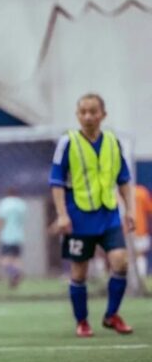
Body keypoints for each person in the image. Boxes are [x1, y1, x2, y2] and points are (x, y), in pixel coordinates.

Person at [50, 93, 134, 337]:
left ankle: (111, 315)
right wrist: (62, 214)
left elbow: (124, 179)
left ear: (103, 115)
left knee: (120, 261)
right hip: (79, 217)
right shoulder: (68, 142)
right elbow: (56, 181)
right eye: (83, 112)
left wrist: (129, 210)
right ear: (77, 115)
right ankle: (82, 321)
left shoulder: (113, 142)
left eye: (93, 112)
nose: (88, 116)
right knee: (79, 272)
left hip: (109, 214)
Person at [0, 188, 28, 287]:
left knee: (4, 260)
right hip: (19, 236)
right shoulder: (21, 204)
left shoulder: (4, 203)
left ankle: (15, 273)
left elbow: (1, 220)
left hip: (7, 235)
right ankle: (15, 278)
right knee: (16, 259)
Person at [133, 184, 152, 278]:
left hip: (125, 232)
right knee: (139, 256)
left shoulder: (141, 192)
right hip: (140, 231)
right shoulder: (142, 192)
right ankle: (140, 279)